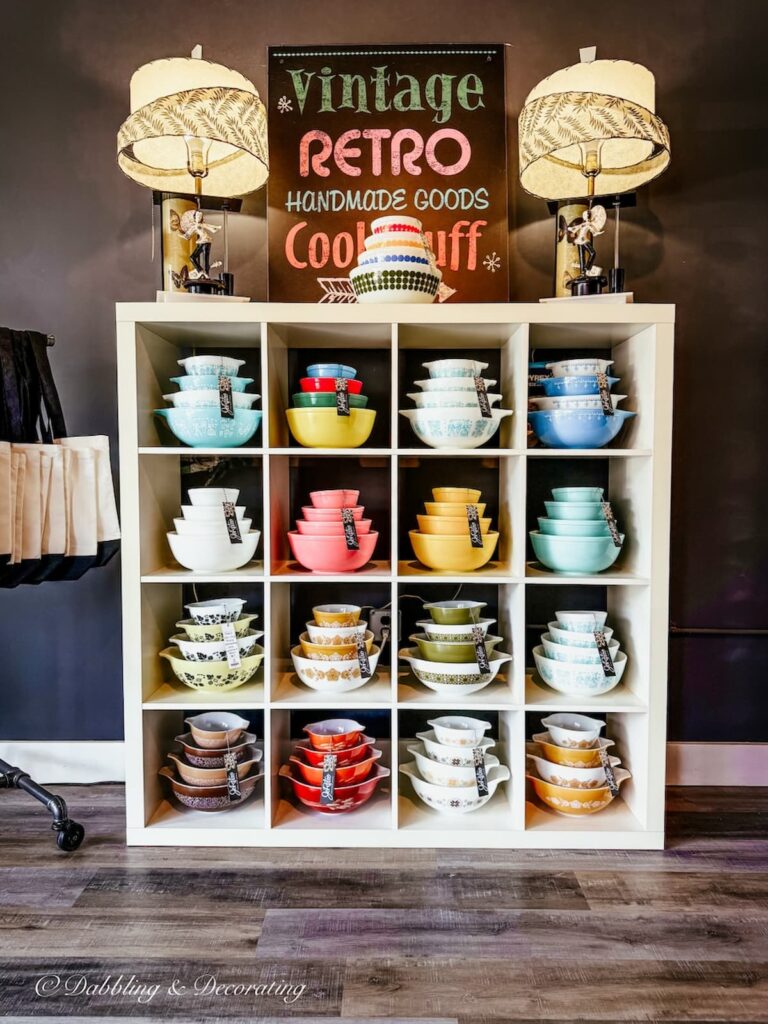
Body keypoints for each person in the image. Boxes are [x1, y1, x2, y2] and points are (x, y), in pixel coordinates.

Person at [179, 209, 221, 279]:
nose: (199, 218)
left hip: (205, 242)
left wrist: (217, 227)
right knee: (195, 258)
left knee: (199, 259)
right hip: (204, 242)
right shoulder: (194, 226)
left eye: (200, 217)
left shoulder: (199, 225)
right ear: (195, 218)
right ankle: (202, 272)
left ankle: (203, 273)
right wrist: (182, 235)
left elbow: (211, 228)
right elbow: (187, 236)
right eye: (198, 216)